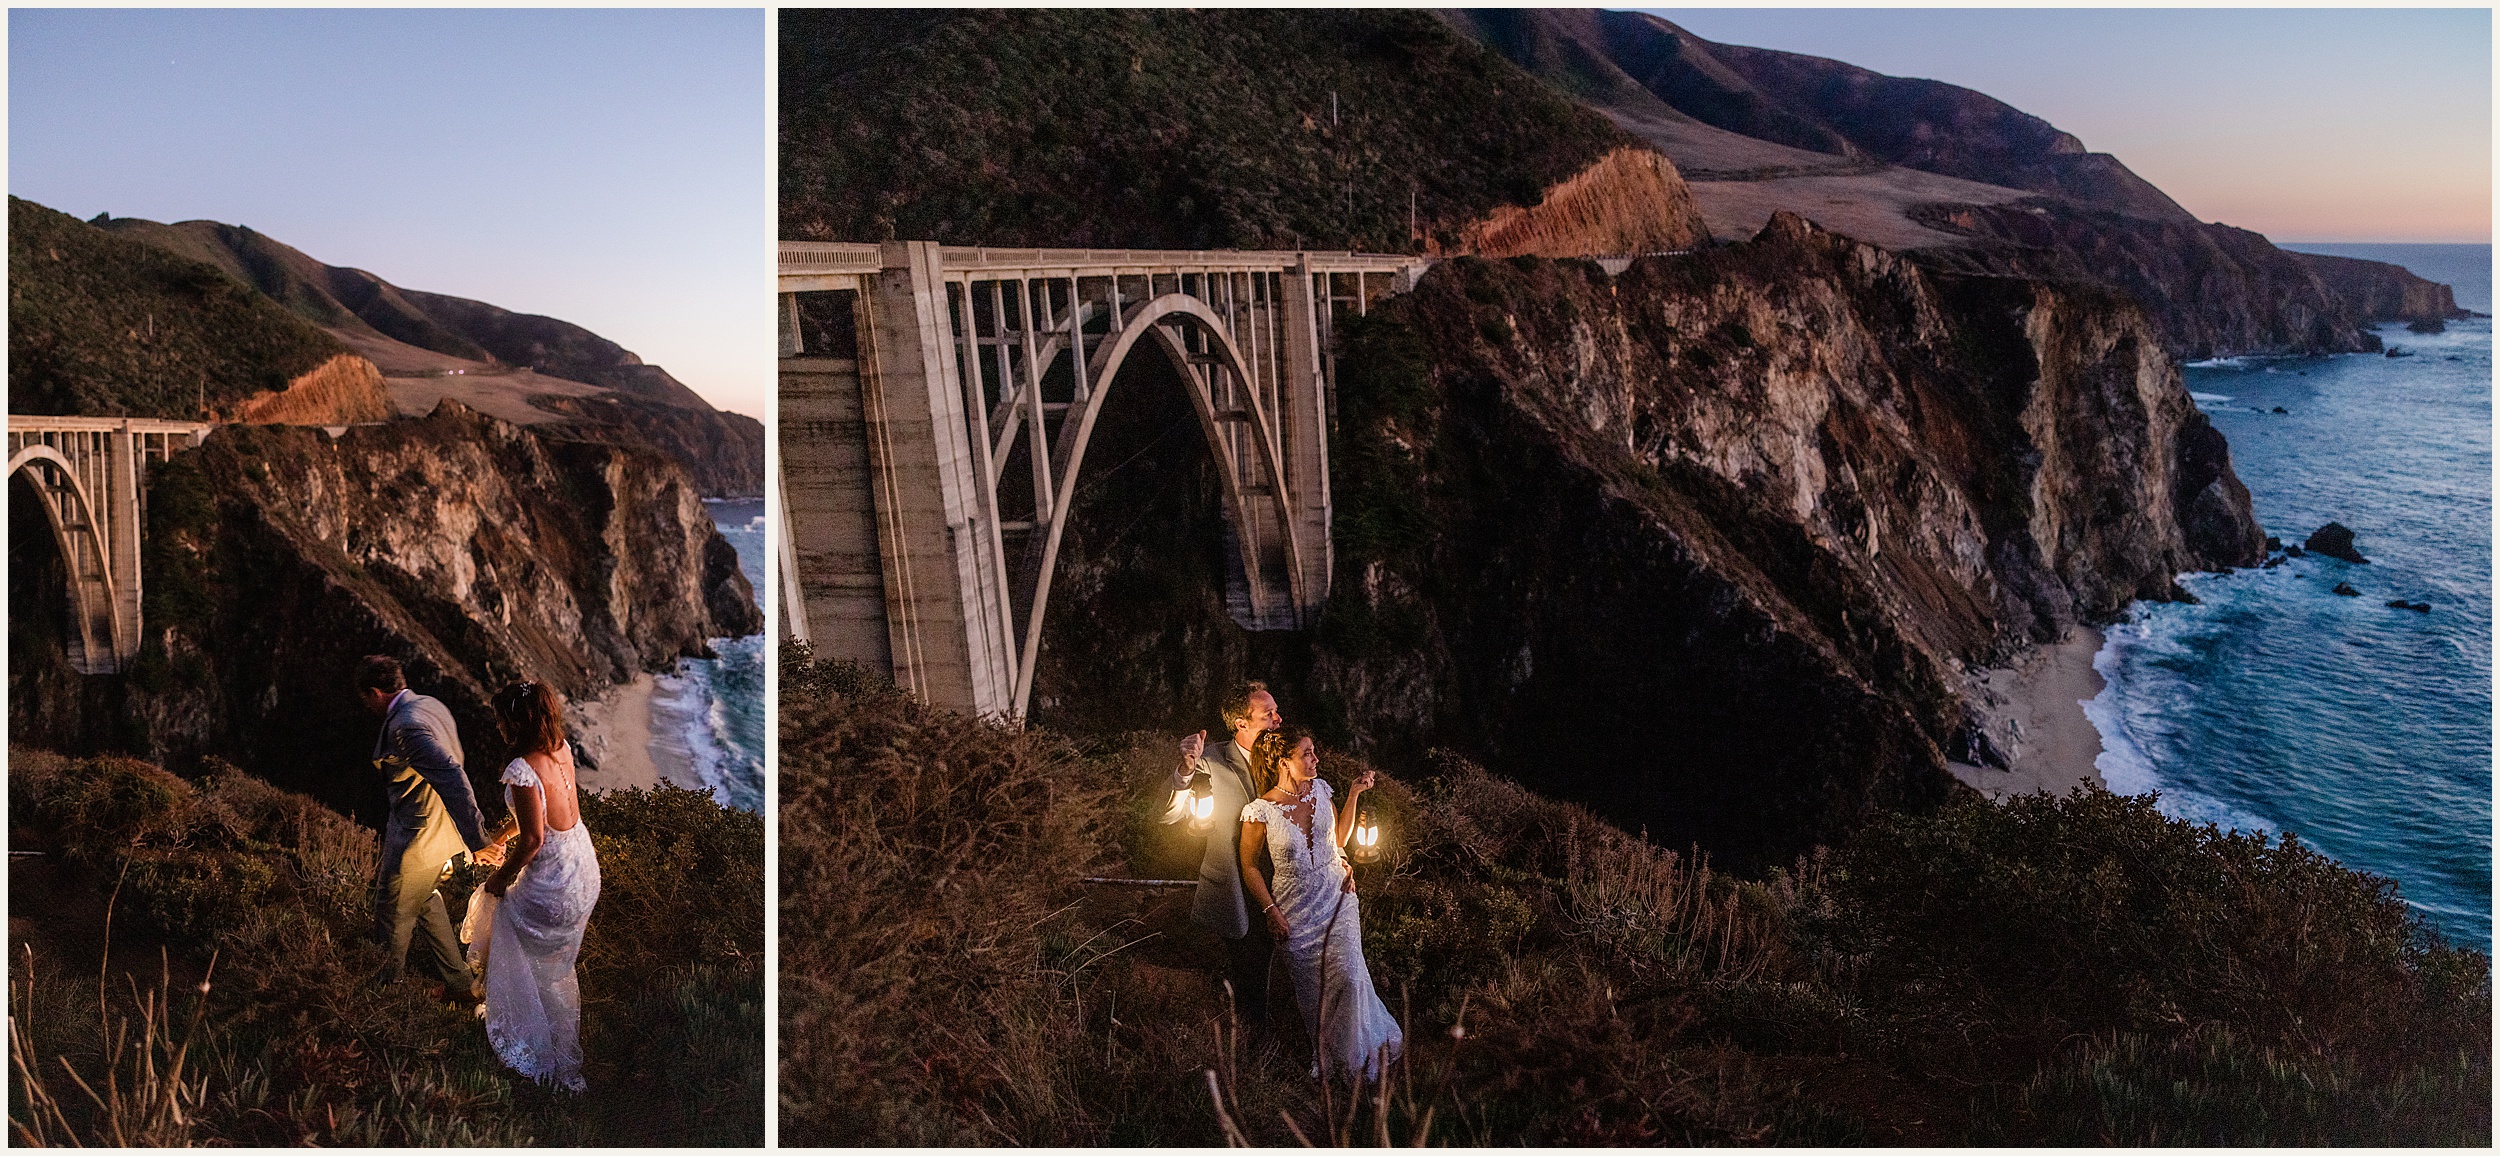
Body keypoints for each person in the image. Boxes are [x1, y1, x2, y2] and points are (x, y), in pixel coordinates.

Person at [1238, 727, 1401, 1081]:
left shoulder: (1322, 790)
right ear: (1285, 762)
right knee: (1314, 991)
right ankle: (1329, 1058)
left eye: (1313, 752)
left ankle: (1358, 1060)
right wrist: (1270, 911)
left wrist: (1355, 792)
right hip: (1293, 909)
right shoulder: (1259, 811)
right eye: (1307, 754)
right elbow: (1249, 866)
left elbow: (1337, 839)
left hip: (1337, 897)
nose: (1315, 760)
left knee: (1349, 974)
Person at [479, 680, 603, 1091]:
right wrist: (501, 836)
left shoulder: (521, 768)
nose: (498, 727)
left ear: (516, 721)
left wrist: (500, 876)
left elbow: (534, 840)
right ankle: (552, 1034)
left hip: (556, 884)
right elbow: (546, 817)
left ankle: (528, 1035)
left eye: (501, 719)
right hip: (583, 868)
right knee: (554, 969)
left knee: (501, 918)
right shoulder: (561, 748)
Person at [358, 655, 492, 992]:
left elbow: (450, 774)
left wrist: (479, 839)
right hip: (442, 835)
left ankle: (384, 993)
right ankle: (461, 984)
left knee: (393, 913)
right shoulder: (431, 705)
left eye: (365, 699)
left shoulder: (406, 725)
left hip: (420, 838)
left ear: (375, 692)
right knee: (426, 899)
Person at [1159, 681, 1283, 1024]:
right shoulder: (1210, 758)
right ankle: (1250, 1047)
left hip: (1285, 881)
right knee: (1249, 969)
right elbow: (1169, 815)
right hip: (1235, 887)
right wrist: (1185, 770)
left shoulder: (1283, 758)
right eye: (1268, 714)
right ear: (1241, 723)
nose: (1278, 719)